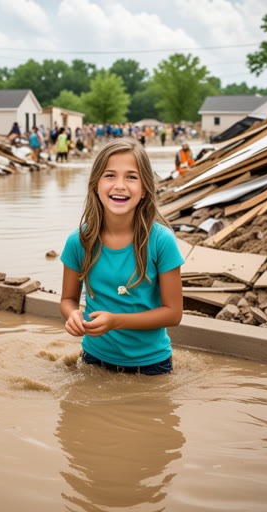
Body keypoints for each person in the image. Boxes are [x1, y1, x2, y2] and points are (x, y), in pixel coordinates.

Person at [60, 137, 184, 375]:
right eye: (110, 175)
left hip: (151, 366)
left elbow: (173, 313)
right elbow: (68, 300)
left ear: (145, 188)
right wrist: (73, 315)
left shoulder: (161, 242)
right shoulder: (78, 242)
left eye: (131, 176)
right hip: (93, 361)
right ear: (95, 185)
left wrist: (116, 321)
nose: (120, 185)